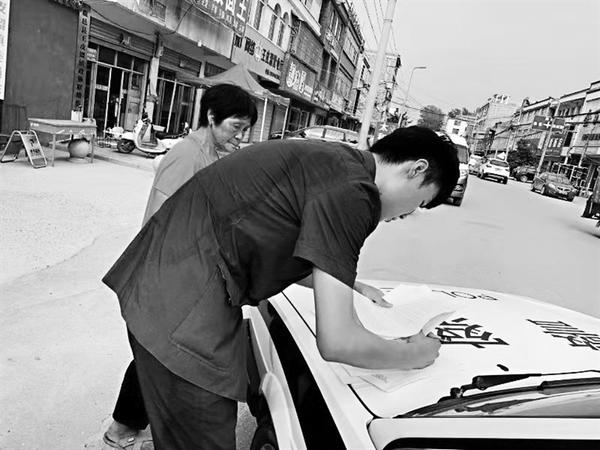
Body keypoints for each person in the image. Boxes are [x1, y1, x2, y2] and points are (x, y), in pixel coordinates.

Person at [102, 126, 459, 449]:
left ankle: (125, 427)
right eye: (420, 202)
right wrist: (413, 355)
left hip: (171, 276)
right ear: (417, 169)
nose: (405, 215)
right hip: (183, 300)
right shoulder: (355, 192)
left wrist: (350, 286)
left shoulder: (336, 163)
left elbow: (280, 243)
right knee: (205, 429)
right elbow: (338, 341)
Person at [103, 83, 258, 449]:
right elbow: (158, 221)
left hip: (186, 273)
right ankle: (121, 428)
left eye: (246, 130)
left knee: (161, 356)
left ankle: (128, 425)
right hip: (166, 274)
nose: (241, 136)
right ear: (211, 116)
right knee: (159, 355)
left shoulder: (212, 155)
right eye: (236, 127)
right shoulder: (187, 156)